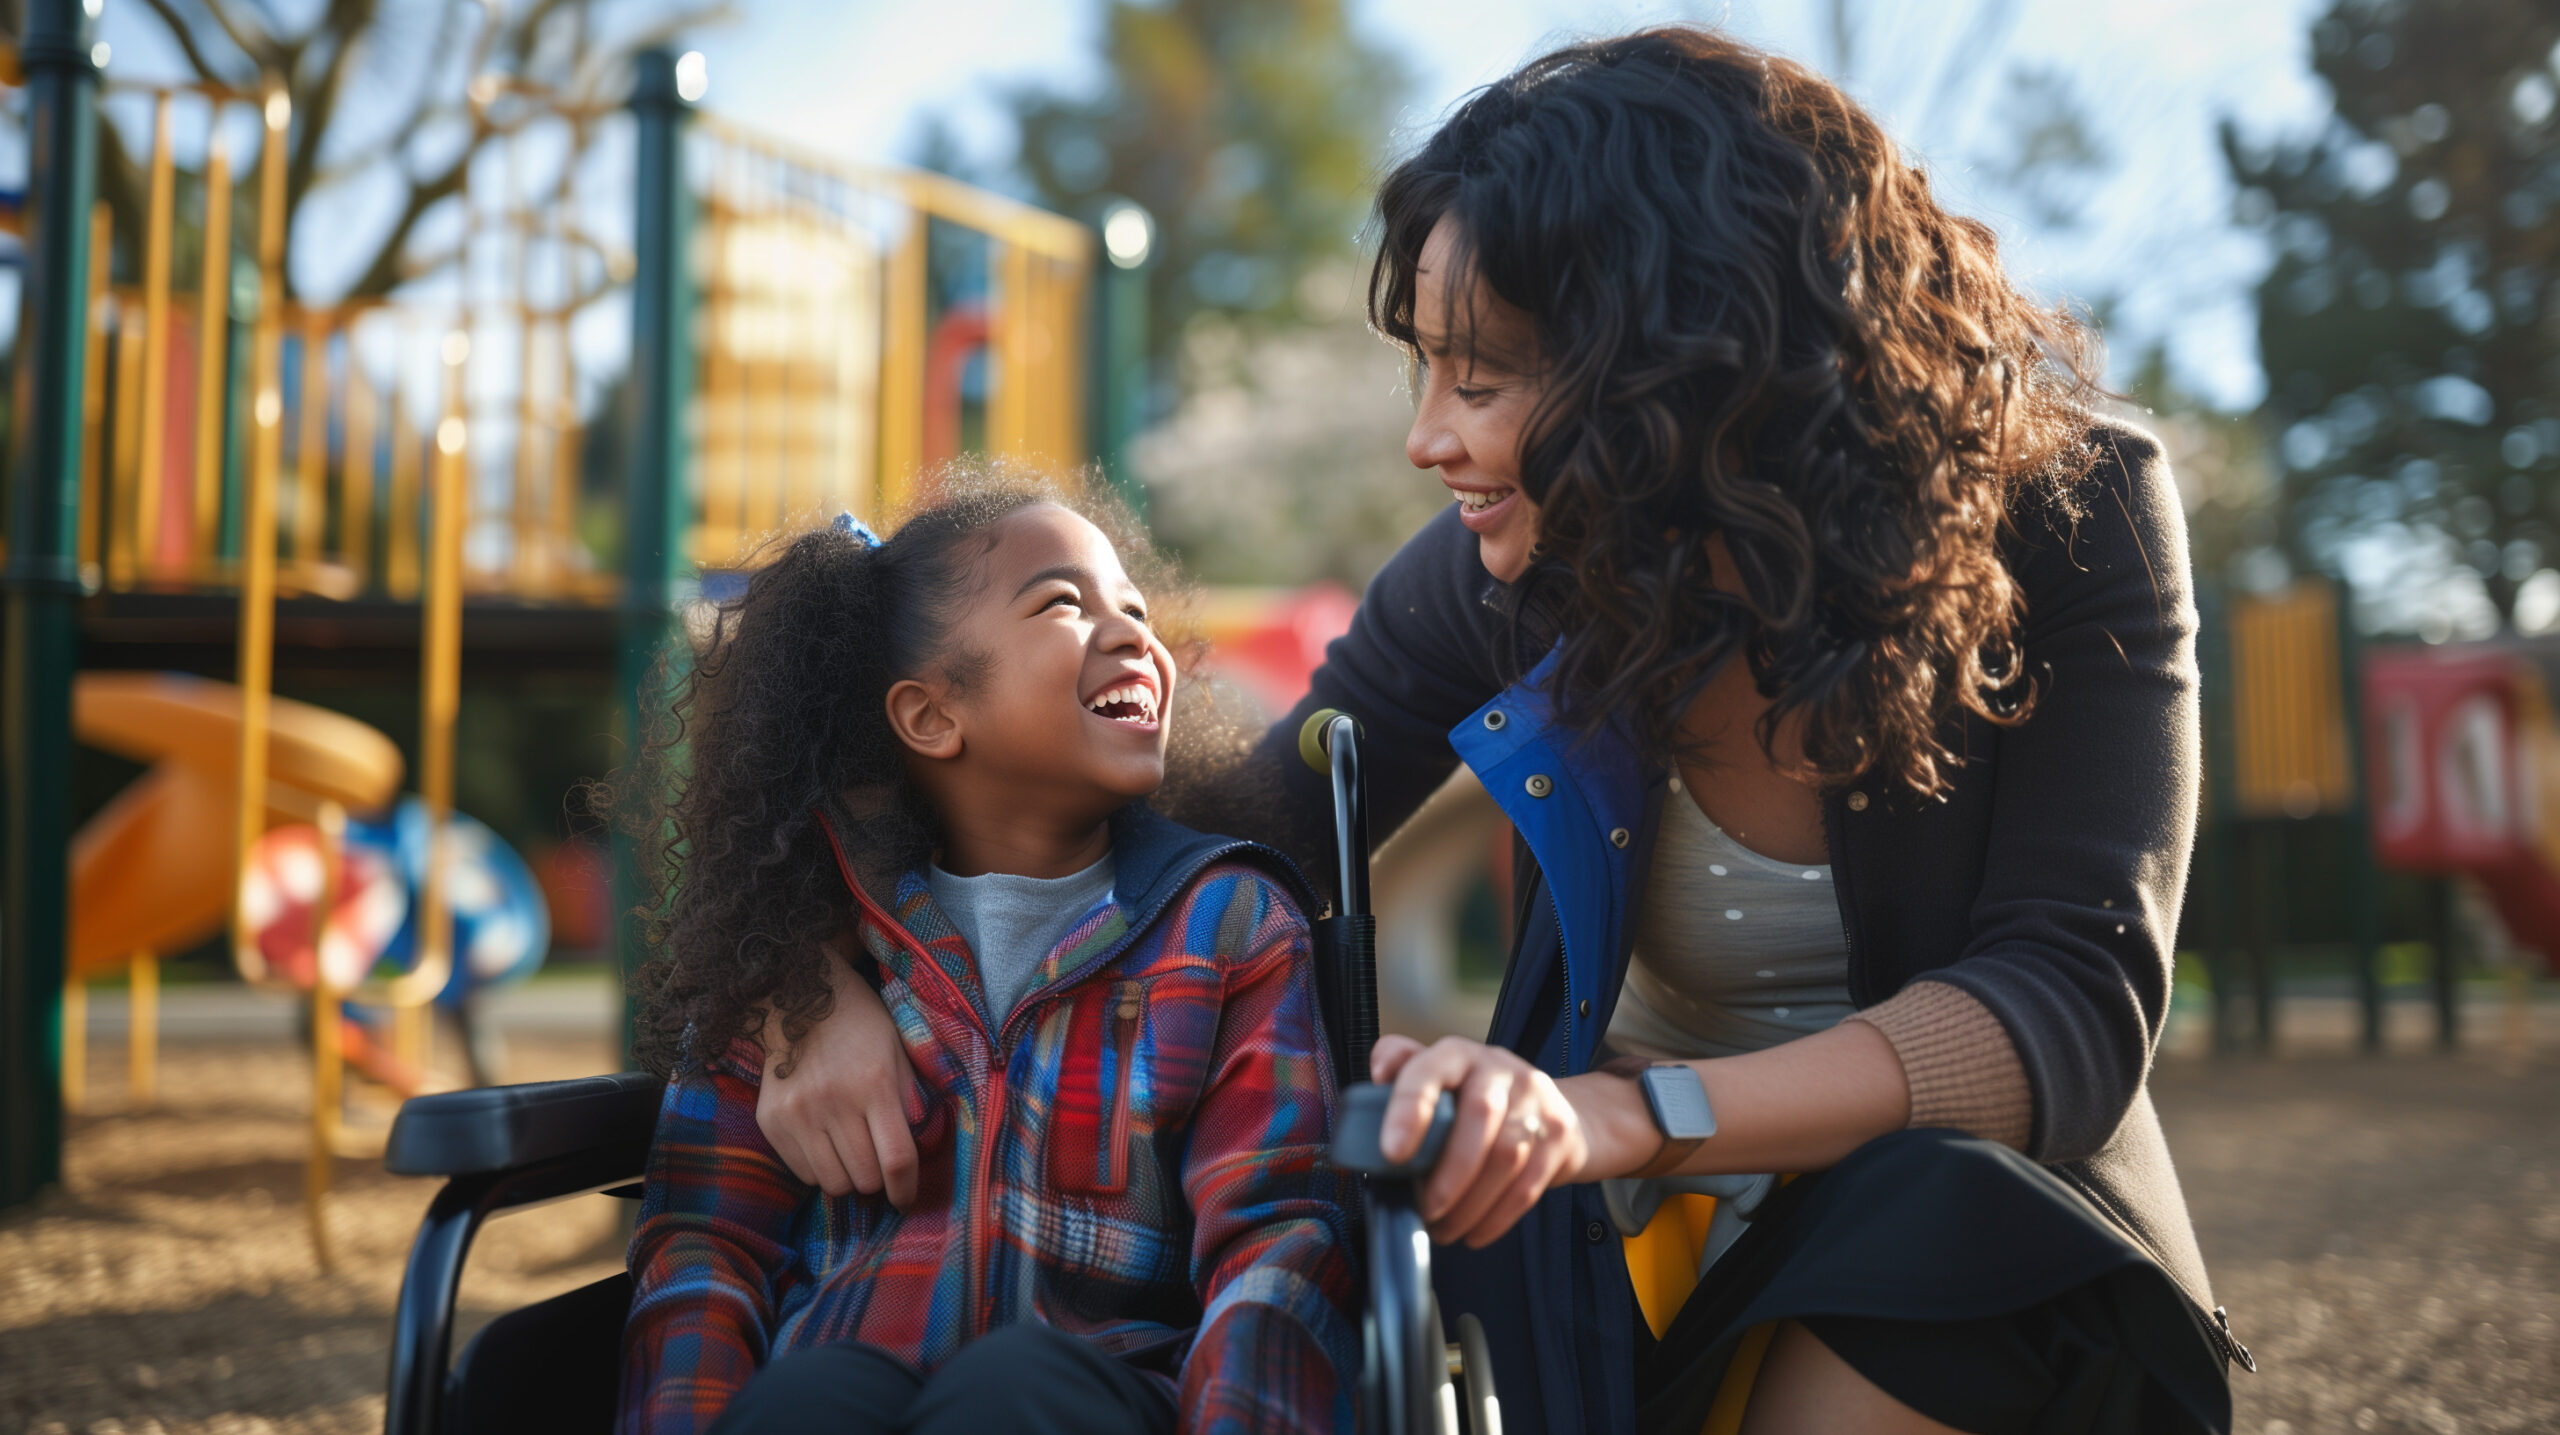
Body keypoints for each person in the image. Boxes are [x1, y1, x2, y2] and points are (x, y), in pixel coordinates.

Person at [757, 28, 2242, 1435]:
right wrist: (808, 969)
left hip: (1945, 1260)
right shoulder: (1508, 575)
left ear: (1685, 358)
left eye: (1481, 376)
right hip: (1601, 1245)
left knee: (1943, 1200)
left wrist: (1623, 1113)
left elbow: (2068, 1008)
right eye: (1424, 369)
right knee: (1387, 1204)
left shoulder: (2073, 516)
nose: (1426, 436)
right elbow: (1187, 834)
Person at [617, 478, 1357, 1435]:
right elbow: (704, 1242)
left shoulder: (1228, 926)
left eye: (1134, 607)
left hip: (1099, 1391)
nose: (1135, 632)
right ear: (929, 716)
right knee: (812, 1397)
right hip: (843, 1378)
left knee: (1010, 1389)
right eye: (1062, 602)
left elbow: (1278, 1237)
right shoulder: (799, 957)